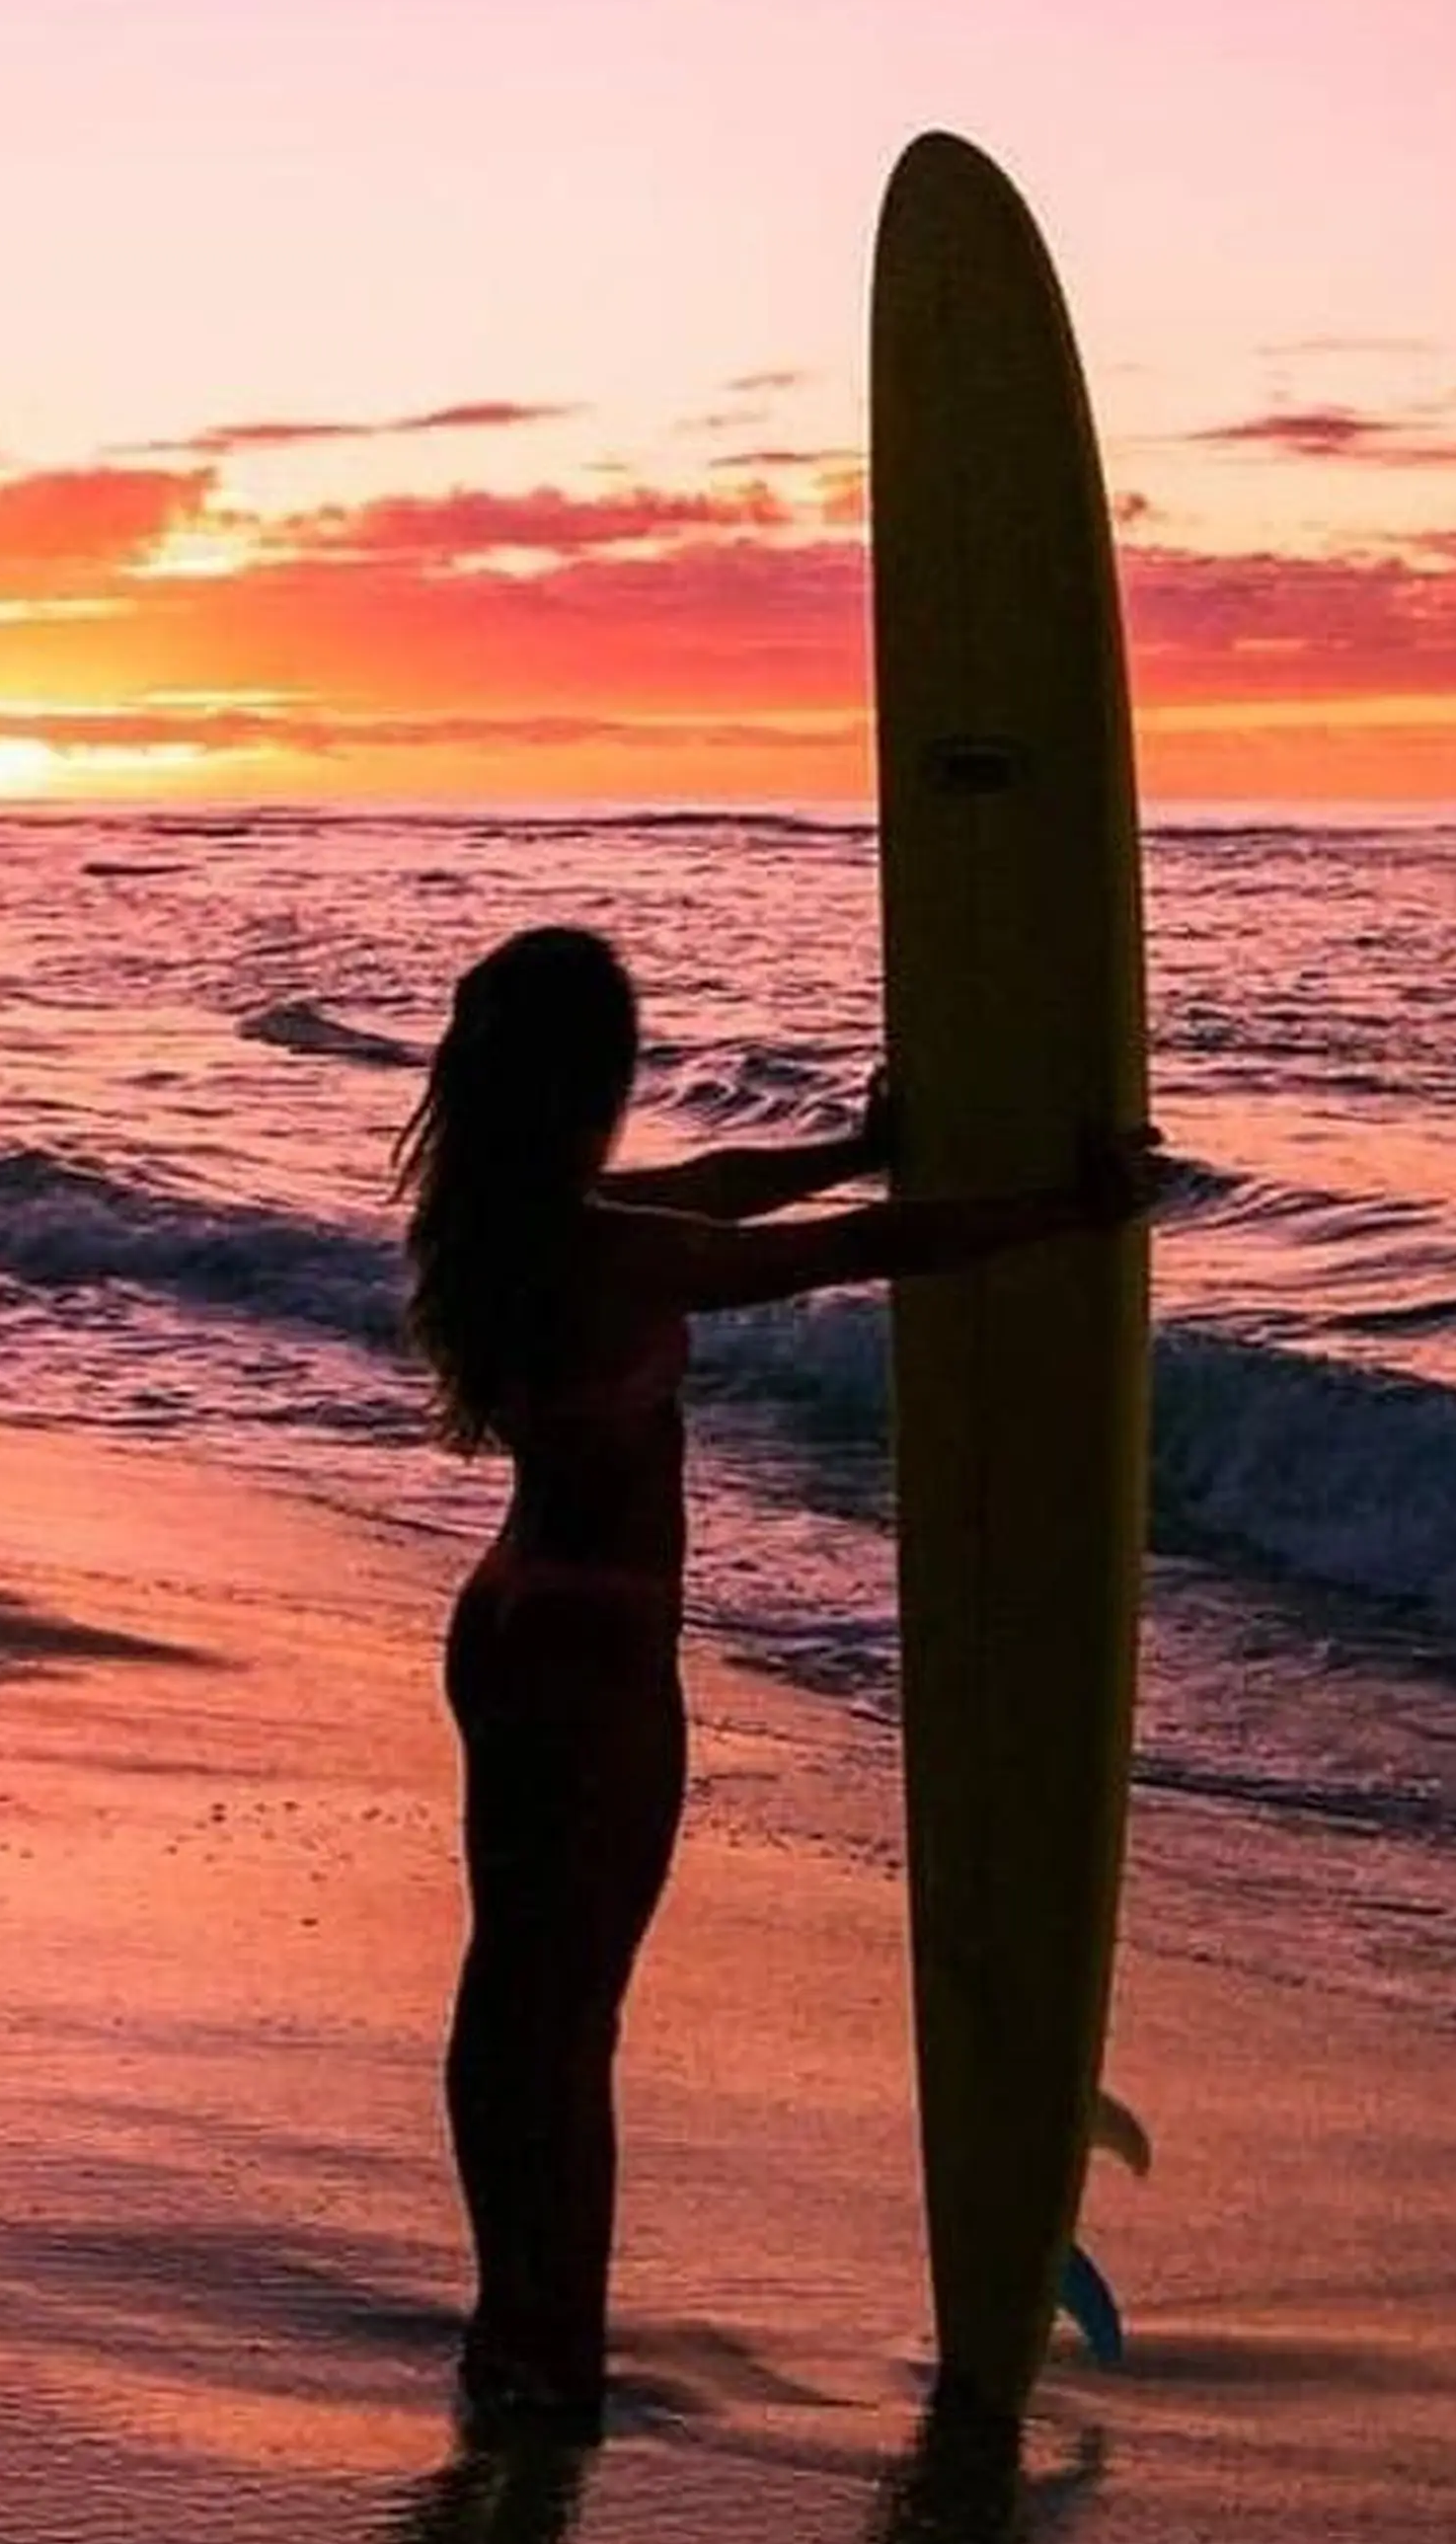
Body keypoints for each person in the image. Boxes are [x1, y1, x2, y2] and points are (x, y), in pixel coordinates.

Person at [393, 923, 1155, 2425]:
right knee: (574, 2013)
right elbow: (834, 1257)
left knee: (511, 1998)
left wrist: (855, 1143)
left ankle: (515, 2318)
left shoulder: (516, 1225)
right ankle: (559, 2354)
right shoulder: (602, 1245)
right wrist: (1071, 1208)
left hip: (510, 1625)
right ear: (584, 1080)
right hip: (594, 1653)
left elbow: (731, 1199)